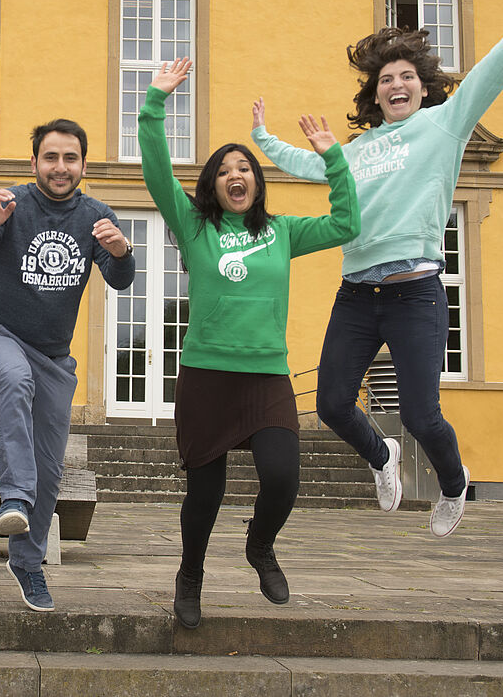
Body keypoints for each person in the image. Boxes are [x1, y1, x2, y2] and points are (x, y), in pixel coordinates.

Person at [252, 0, 503, 538]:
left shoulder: (445, 125)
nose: (397, 85)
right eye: (386, 79)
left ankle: (454, 482)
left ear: (423, 85)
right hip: (357, 294)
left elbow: (498, 64)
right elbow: (308, 165)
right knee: (331, 403)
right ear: (375, 93)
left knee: (420, 413)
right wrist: (263, 139)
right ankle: (380, 456)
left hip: (415, 292)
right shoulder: (357, 149)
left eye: (407, 76)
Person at [140, 57, 359, 628]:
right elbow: (156, 171)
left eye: (245, 168)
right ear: (213, 185)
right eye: (223, 170)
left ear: (257, 182)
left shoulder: (282, 232)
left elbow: (346, 224)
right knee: (204, 495)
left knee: (283, 477)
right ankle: (190, 575)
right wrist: (155, 103)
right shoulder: (195, 227)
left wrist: (333, 157)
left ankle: (260, 545)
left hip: (266, 375)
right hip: (207, 375)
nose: (235, 176)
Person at [0, 118, 136, 613]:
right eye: (50, 157)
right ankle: (13, 497)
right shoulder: (10, 205)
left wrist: (122, 251)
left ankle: (27, 563)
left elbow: (120, 279)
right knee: (14, 376)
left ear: (83, 165)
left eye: (70, 158)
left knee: (51, 471)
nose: (60, 167)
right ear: (34, 162)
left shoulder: (95, 215)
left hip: (53, 360)